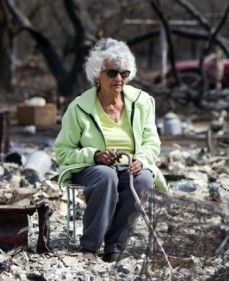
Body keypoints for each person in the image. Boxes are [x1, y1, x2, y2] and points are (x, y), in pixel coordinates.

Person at [53, 38, 166, 262]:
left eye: (124, 73)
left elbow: (152, 142)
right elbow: (63, 151)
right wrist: (95, 155)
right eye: (112, 73)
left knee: (143, 180)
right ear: (97, 74)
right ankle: (90, 246)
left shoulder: (142, 102)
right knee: (106, 176)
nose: (119, 79)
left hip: (130, 164)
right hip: (92, 167)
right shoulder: (78, 108)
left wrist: (142, 160)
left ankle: (114, 245)